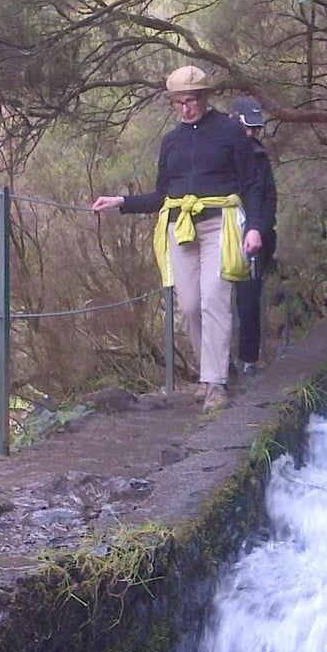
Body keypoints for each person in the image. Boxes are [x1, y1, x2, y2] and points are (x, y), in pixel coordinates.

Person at [92, 66, 267, 412]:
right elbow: (162, 195)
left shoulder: (231, 132)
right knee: (189, 306)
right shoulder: (171, 141)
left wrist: (256, 227)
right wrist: (122, 203)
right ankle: (209, 372)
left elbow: (252, 186)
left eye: (191, 101)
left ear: (205, 98)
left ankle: (215, 383)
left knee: (215, 299)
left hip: (221, 223)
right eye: (179, 103)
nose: (186, 108)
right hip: (179, 227)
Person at [227, 97, 277, 378]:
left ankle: (249, 361)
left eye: (255, 130)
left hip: (254, 240)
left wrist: (259, 229)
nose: (251, 134)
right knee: (216, 304)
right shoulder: (220, 153)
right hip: (220, 235)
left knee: (248, 302)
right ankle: (220, 366)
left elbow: (269, 197)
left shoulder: (260, 158)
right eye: (247, 127)